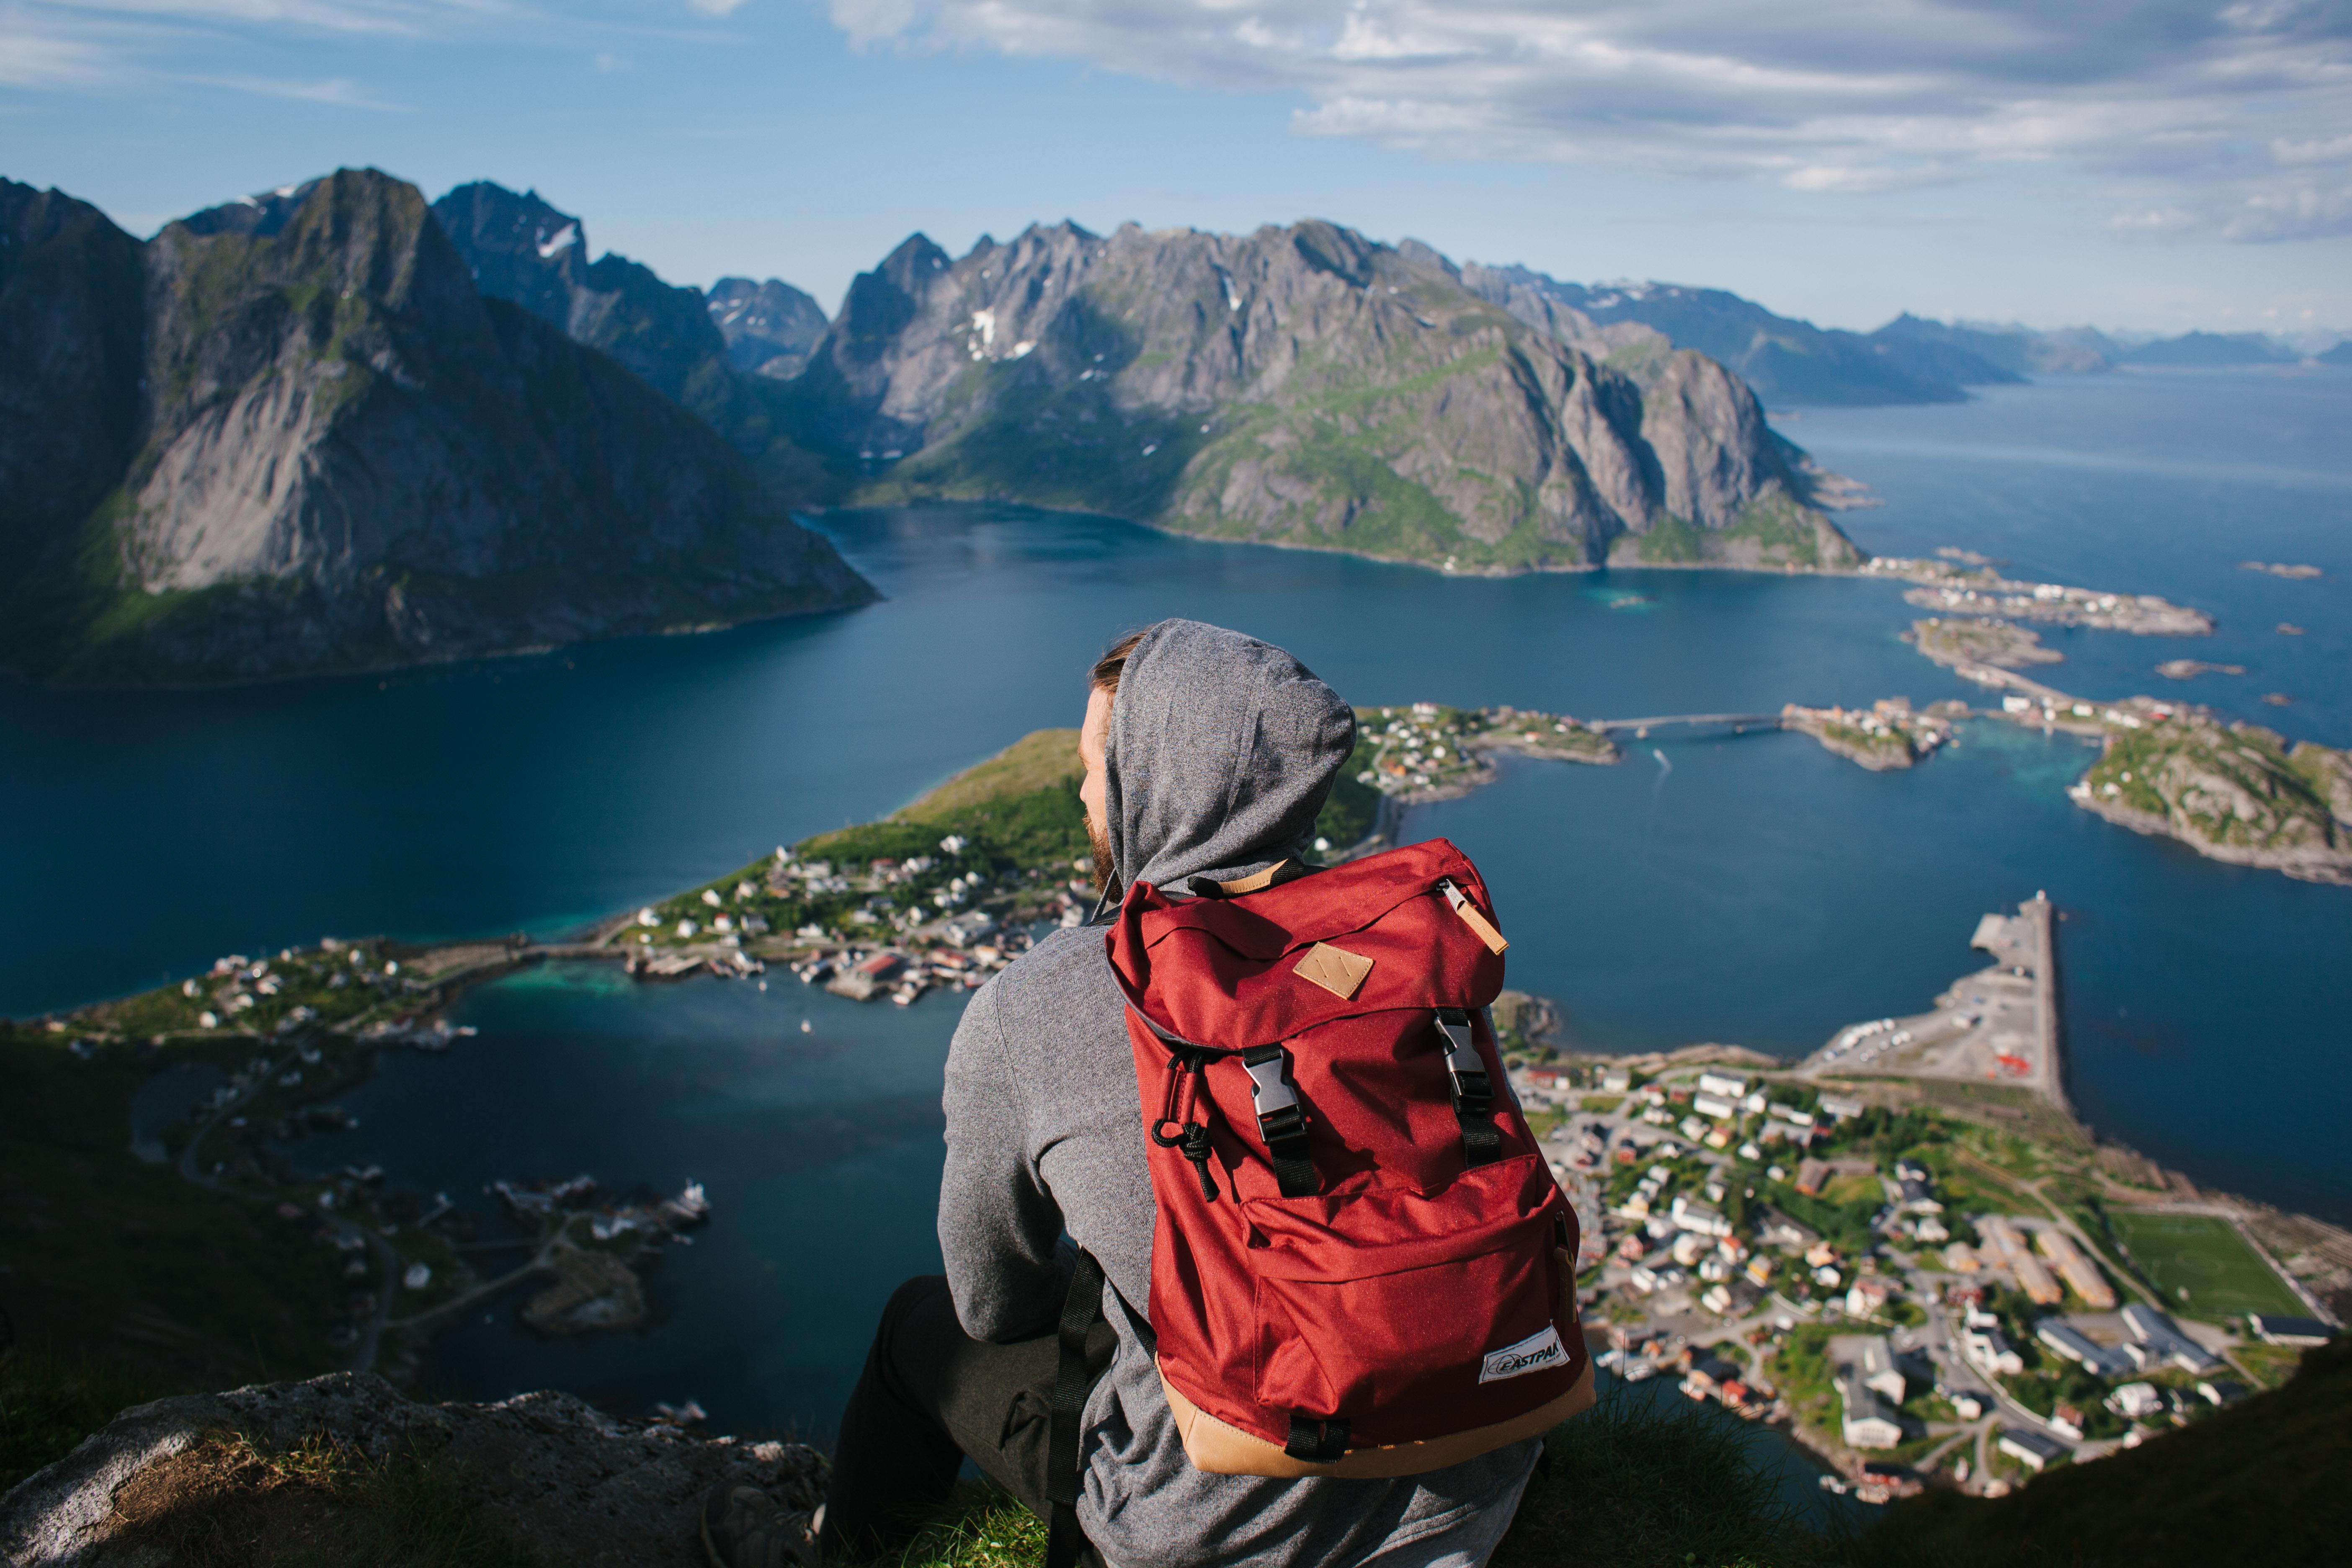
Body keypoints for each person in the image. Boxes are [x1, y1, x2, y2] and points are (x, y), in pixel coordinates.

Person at [704, 619, 1541, 1568]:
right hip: (1474, 1481)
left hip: (1215, 1531)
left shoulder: (1042, 1002)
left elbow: (991, 1306)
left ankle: (830, 1557)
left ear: (1153, 779)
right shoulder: (1400, 950)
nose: (1082, 791)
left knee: (916, 1326)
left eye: (1098, 766)